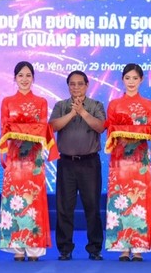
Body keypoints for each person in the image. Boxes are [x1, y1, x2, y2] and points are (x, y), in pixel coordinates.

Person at [0, 61, 55, 261]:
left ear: (33, 78)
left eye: (28, 75)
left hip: (35, 159)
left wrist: (21, 128)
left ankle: (34, 248)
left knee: (34, 199)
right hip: (14, 157)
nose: (24, 79)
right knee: (15, 199)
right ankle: (17, 247)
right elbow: (5, 128)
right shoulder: (7, 101)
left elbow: (42, 127)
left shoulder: (41, 101)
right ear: (15, 78)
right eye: (20, 75)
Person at [104, 63, 151, 262]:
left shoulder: (148, 104)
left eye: (135, 78)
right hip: (119, 161)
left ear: (141, 80)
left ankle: (139, 247)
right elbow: (110, 130)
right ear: (122, 80)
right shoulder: (114, 104)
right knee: (120, 199)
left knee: (139, 201)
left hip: (140, 160)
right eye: (128, 78)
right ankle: (122, 247)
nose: (131, 82)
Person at [49, 70, 106, 261]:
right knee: (64, 207)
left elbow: (101, 126)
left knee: (92, 207)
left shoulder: (96, 105)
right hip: (66, 163)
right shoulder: (61, 105)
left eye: (80, 84)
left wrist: (82, 112)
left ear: (87, 85)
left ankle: (94, 248)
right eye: (72, 84)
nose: (76, 87)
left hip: (90, 163)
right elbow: (53, 127)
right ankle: (65, 249)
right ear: (68, 87)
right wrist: (73, 112)